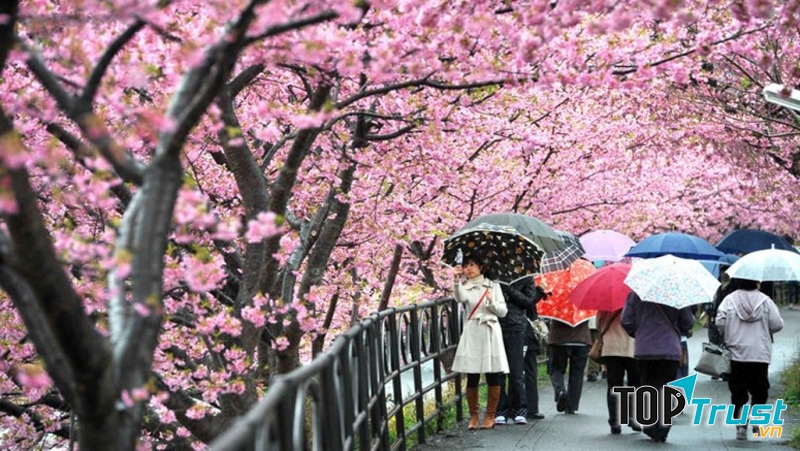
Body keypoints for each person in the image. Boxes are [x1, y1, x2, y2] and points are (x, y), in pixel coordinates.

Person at [715, 278, 784, 441]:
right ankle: (756, 418)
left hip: (736, 353)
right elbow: (777, 324)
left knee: (737, 390)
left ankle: (740, 426)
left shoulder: (729, 300)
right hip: (759, 353)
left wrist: (729, 331)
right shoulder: (766, 301)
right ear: (756, 283)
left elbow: (719, 322)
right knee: (760, 389)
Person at [621, 291, 694, 443]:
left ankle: (650, 425)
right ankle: (662, 429)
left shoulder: (635, 294)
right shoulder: (678, 294)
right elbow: (688, 322)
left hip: (644, 349)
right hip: (669, 349)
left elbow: (626, 320)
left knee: (648, 386)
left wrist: (640, 332)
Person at [450, 252, 509, 430]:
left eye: (472, 265)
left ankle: (490, 415)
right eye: (466, 266)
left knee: (493, 374)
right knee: (472, 374)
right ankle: (474, 416)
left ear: (481, 267)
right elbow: (460, 298)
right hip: (473, 330)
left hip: (490, 331)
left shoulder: (493, 286)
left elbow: (503, 312)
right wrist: (455, 280)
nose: (468, 269)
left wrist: (491, 303)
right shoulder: (465, 286)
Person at [495, 277, 547, 425]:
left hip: (516, 326)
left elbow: (528, 302)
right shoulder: (493, 277)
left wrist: (509, 289)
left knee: (516, 371)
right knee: (497, 371)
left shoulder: (526, 279)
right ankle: (500, 409)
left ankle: (519, 409)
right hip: (495, 326)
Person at [595, 308, 641, 435]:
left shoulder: (606, 303)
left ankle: (615, 421)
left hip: (611, 348)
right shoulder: (635, 303)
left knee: (614, 386)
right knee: (634, 384)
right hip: (632, 347)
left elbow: (598, 323)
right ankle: (632, 418)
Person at [548, 319, 591, 415]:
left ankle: (560, 391)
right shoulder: (584, 305)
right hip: (581, 339)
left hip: (559, 338)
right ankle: (571, 405)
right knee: (577, 373)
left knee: (556, 368)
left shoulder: (557, 304)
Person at [524, 288, 548, 421]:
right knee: (529, 371)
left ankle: (528, 407)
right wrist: (539, 292)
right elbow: (527, 303)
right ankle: (530, 408)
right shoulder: (528, 285)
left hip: (523, 331)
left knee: (525, 371)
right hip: (526, 332)